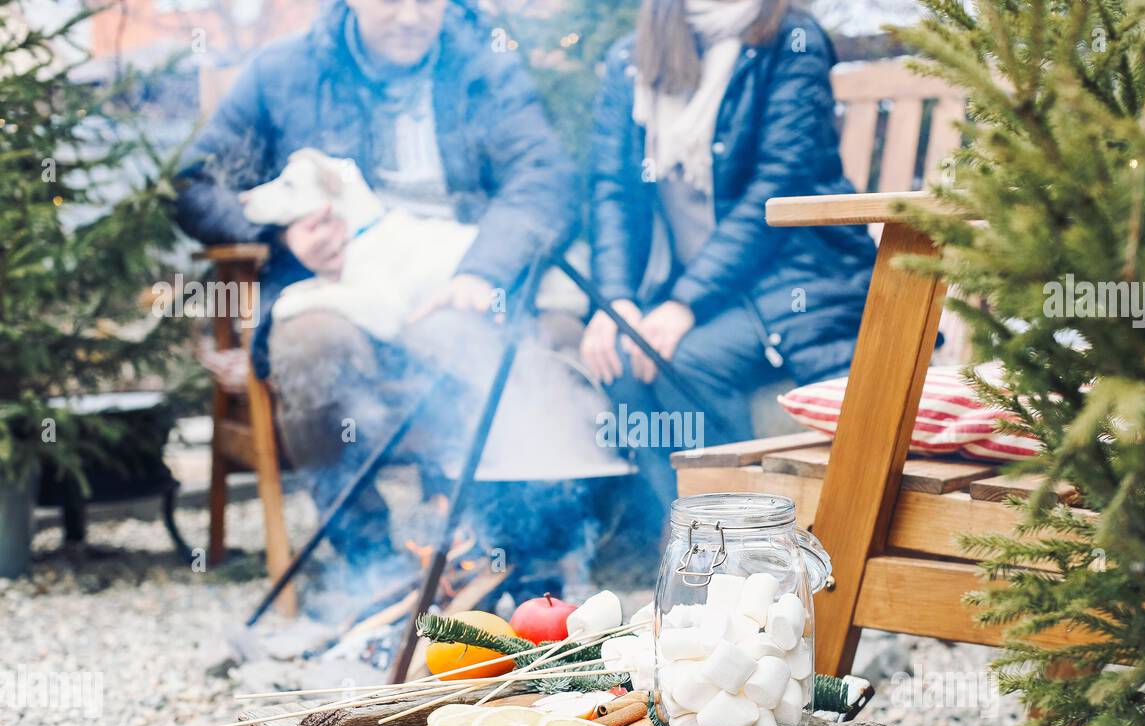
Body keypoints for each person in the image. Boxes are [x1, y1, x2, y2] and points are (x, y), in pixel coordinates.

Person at [175, 0, 580, 568]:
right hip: (327, 290)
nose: (411, 15)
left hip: (447, 283)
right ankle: (367, 561)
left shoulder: (483, 69)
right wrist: (278, 233)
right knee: (313, 348)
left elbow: (544, 177)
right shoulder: (285, 72)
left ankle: (471, 544)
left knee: (463, 342)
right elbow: (196, 184)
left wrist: (481, 271)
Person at [584, 0, 877, 514]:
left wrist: (685, 303)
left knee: (691, 361)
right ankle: (679, 529)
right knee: (621, 359)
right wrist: (616, 300)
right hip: (698, 288)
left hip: (800, 281)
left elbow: (779, 188)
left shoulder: (790, 40)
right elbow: (612, 188)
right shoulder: (632, 58)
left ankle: (739, 537)